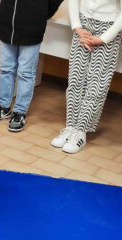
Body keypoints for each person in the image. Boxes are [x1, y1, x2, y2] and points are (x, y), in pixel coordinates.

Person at [51, 0, 122, 154]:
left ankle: (81, 131)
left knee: (96, 86)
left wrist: (103, 38)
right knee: (75, 80)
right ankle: (70, 127)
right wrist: (77, 27)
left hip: (108, 28)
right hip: (83, 26)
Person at [0, 0, 64, 132]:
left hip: (32, 28)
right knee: (6, 69)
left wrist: (42, 13)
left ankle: (20, 112)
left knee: (26, 73)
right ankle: (3, 107)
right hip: (7, 24)